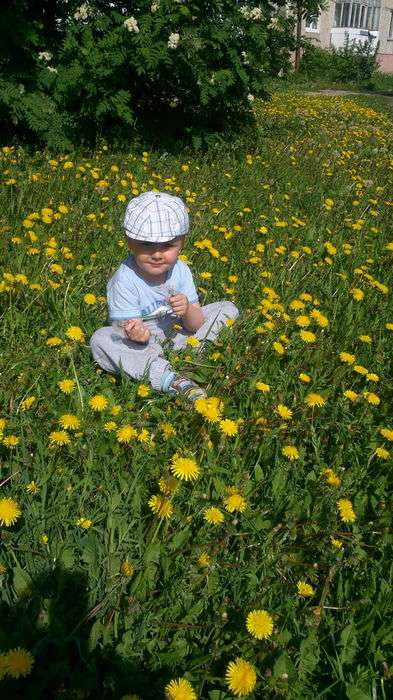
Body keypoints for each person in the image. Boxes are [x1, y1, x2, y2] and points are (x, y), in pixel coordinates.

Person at [90, 191, 239, 402]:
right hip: (141, 343)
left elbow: (195, 325)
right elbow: (123, 329)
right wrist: (138, 336)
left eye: (168, 245)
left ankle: (194, 356)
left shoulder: (181, 270)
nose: (158, 254)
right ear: (129, 240)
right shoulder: (124, 279)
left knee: (227, 308)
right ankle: (172, 379)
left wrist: (187, 309)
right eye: (147, 244)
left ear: (182, 242)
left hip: (177, 333)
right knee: (101, 339)